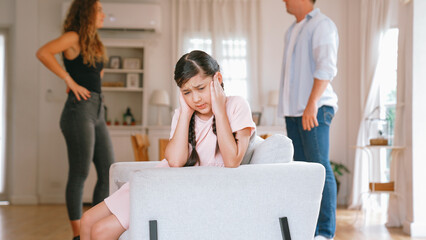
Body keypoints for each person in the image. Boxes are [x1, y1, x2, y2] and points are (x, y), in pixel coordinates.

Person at [79, 50, 256, 239]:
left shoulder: (236, 105)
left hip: (177, 188)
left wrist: (219, 111)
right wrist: (185, 114)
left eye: (201, 88)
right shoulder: (183, 114)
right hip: (158, 179)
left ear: (217, 79)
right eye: (187, 92)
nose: (195, 99)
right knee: (87, 220)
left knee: (100, 230)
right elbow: (174, 160)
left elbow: (232, 161)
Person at [36, 1, 114, 239]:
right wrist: (69, 81)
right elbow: (43, 52)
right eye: (98, 9)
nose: (103, 14)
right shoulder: (73, 37)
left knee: (107, 170)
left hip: (97, 109)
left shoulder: (97, 44)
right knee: (80, 172)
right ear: (86, 11)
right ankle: (78, 234)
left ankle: (93, 227)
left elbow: (96, 76)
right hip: (78, 111)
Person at [278, 0, 339, 240]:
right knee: (303, 172)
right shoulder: (292, 30)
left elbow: (326, 68)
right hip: (294, 111)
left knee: (320, 168)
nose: (283, 0)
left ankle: (325, 233)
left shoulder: (322, 25)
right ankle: (309, 231)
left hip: (314, 109)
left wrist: (311, 103)